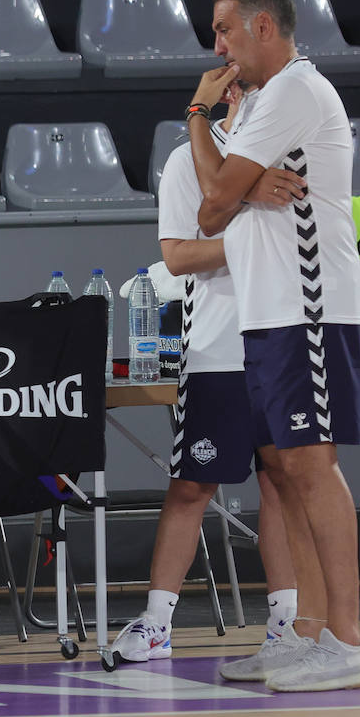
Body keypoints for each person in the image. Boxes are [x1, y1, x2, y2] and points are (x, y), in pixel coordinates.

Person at [188, 0, 360, 691]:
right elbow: (219, 206)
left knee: (310, 467)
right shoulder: (264, 103)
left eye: (225, 29)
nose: (218, 44)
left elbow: (209, 204)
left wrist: (198, 115)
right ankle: (305, 636)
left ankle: (348, 643)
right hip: (271, 313)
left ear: (264, 28)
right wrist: (235, 178)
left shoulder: (294, 89)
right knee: (284, 473)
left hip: (308, 309)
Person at [109, 85, 305, 676]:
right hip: (217, 350)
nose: (253, 97)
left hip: (286, 343)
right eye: (242, 87)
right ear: (224, 97)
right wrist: (254, 239)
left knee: (284, 486)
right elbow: (176, 257)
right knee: (192, 487)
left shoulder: (293, 154)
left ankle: (286, 626)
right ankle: (156, 625)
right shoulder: (184, 161)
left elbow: (309, 245)